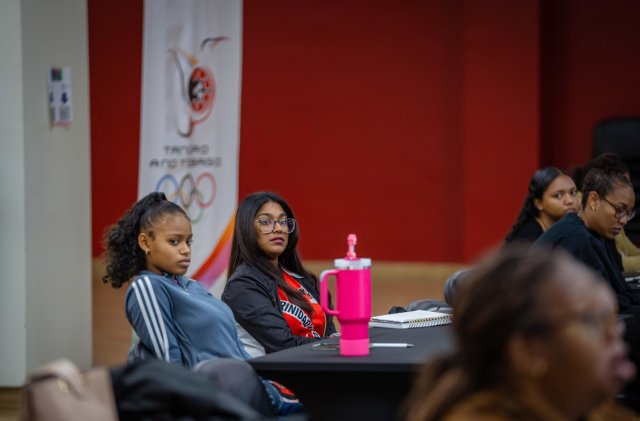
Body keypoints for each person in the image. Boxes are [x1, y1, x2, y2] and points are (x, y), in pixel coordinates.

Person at [102, 192, 300, 416]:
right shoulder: (147, 286)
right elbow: (167, 367)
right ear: (145, 242)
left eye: (188, 241)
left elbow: (235, 349)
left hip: (259, 389)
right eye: (174, 241)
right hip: (220, 401)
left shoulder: (193, 286)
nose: (185, 250)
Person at [403, 246, 636, 421]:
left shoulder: (584, 409)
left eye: (612, 320)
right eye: (592, 322)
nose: (614, 335)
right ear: (527, 351)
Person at [222, 191, 336, 357]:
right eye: (266, 222)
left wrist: (338, 343)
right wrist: (336, 344)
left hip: (319, 364)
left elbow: (329, 334)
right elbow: (284, 345)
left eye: (283, 222)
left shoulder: (305, 280)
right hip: (273, 371)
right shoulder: (242, 286)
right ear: (247, 228)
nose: (279, 229)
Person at [574, 152, 640, 273]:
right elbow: (618, 264)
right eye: (624, 183)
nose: (624, 221)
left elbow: (631, 252)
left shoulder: (610, 221)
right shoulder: (578, 231)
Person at [504, 167, 578, 245]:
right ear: (539, 204)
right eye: (558, 195)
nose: (570, 201)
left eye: (573, 193)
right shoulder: (528, 240)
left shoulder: (570, 230)